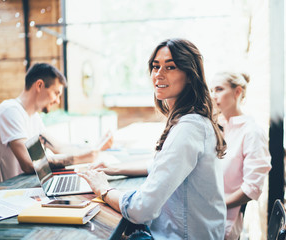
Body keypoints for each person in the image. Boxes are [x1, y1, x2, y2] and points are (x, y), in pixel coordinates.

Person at [79, 38, 227, 239]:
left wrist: (103, 189)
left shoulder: (189, 129)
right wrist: (114, 169)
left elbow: (141, 209)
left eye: (170, 67)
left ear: (190, 75)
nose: (159, 74)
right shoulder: (193, 121)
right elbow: (162, 165)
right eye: (155, 66)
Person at [0, 63, 112, 189]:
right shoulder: (9, 111)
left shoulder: (33, 117)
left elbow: (60, 148)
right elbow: (29, 164)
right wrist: (79, 158)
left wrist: (94, 148)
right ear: (39, 85)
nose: (57, 100)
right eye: (56, 93)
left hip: (19, 188)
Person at [210, 72, 272, 240]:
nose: (213, 96)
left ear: (237, 92)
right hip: (205, 215)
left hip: (223, 223)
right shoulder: (219, 127)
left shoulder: (252, 132)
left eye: (219, 89)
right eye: (211, 90)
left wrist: (217, 205)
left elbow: (252, 187)